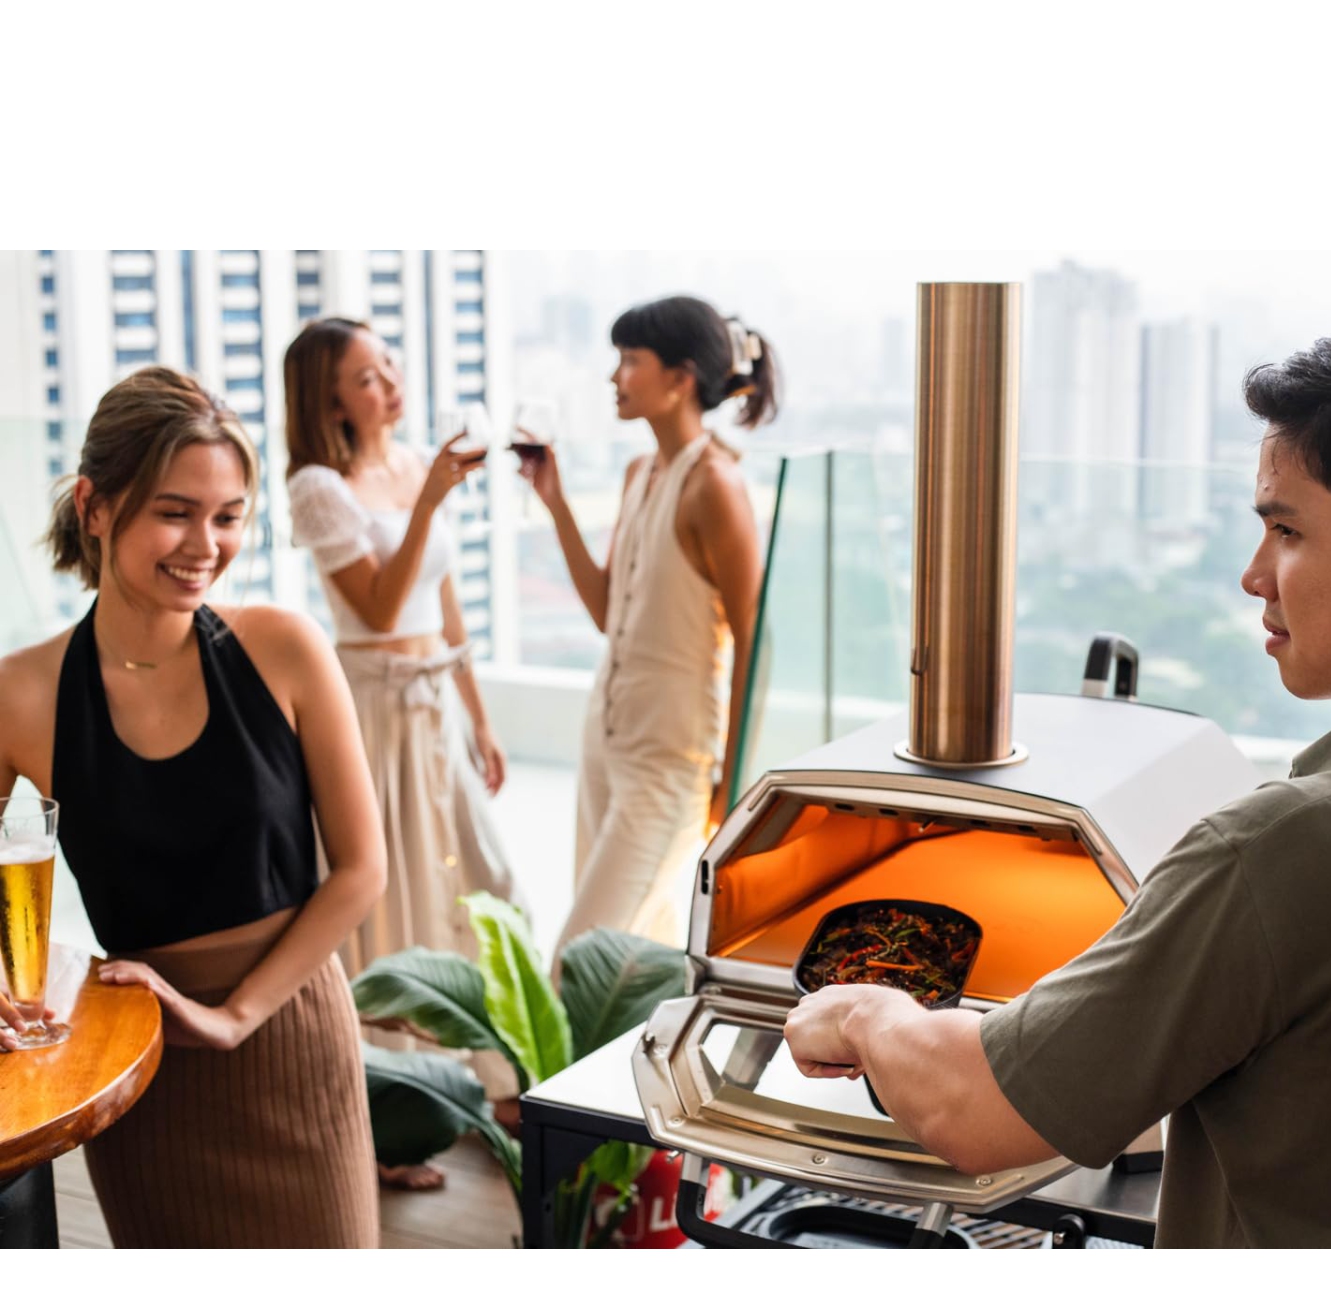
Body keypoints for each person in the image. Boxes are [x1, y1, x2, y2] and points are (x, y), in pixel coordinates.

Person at [785, 312, 1331, 1249]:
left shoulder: (1295, 847)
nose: (1254, 575)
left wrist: (861, 1009)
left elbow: (975, 1108)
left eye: (1287, 529)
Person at [0, 366, 384, 1247]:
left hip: (288, 1035)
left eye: (229, 516)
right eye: (175, 512)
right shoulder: (20, 693)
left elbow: (363, 869)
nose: (205, 545)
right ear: (95, 507)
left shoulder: (286, 647)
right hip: (143, 1058)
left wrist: (235, 1016)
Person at [283, 318, 522, 1190]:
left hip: (435, 702)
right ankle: (387, 1118)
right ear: (329, 399)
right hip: (373, 708)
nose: (389, 381)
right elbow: (381, 608)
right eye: (365, 375)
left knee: (484, 878)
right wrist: (426, 503)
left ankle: (496, 1082)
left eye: (389, 363)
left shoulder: (419, 459)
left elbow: (443, 601)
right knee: (390, 899)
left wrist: (478, 716)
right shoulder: (319, 487)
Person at [518, 295, 775, 973]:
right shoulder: (640, 473)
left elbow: (754, 640)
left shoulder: (716, 484)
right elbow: (609, 612)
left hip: (670, 760)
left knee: (577, 967)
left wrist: (734, 783)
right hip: (606, 741)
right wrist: (556, 503)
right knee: (627, 963)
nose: (614, 376)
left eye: (630, 360)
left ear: (680, 379)